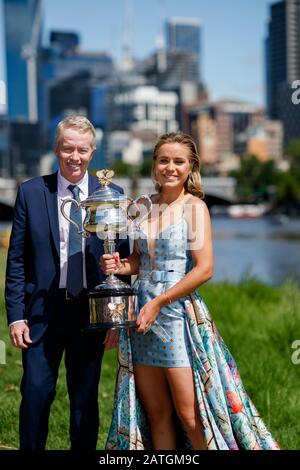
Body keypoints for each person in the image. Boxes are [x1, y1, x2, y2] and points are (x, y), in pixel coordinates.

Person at [100, 132, 280, 450]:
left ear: (190, 167)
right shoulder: (142, 206)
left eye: (178, 161)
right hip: (140, 314)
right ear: (154, 165)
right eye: (163, 160)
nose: (170, 167)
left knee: (189, 415)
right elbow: (141, 260)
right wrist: (119, 266)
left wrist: (161, 301)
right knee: (156, 413)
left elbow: (204, 268)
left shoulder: (194, 208)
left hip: (174, 315)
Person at [5, 115, 129, 450]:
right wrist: (16, 316)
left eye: (82, 150)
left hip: (91, 314)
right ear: (57, 148)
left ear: (93, 152)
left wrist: (115, 319)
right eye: (68, 148)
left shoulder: (112, 194)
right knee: (35, 396)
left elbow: (123, 261)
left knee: (85, 402)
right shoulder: (31, 191)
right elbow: (17, 259)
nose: (75, 157)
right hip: (42, 312)